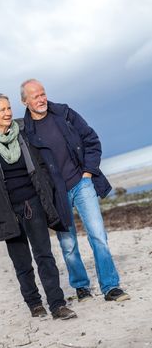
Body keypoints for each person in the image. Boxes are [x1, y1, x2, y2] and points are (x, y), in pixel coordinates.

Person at [0, 92, 77, 320]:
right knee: (22, 261)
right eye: (2, 110)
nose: (8, 113)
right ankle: (35, 304)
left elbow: (41, 165)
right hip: (6, 209)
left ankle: (57, 305)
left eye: (9, 108)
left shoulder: (23, 133)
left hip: (33, 202)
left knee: (44, 256)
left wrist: (45, 187)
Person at [19, 79, 130, 303]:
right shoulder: (24, 131)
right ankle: (81, 287)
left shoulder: (65, 113)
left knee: (98, 235)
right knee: (68, 244)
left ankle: (110, 287)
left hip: (82, 183)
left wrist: (88, 171)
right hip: (55, 193)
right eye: (35, 96)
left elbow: (91, 139)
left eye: (43, 94)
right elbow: (16, 163)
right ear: (25, 101)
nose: (41, 99)